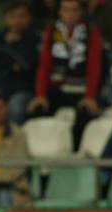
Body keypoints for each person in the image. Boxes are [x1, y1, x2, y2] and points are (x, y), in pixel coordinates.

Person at [27, 0, 104, 152]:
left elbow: (94, 67)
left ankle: (75, 159)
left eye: (74, 10)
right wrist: (41, 95)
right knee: (37, 112)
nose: (70, 14)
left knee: (86, 116)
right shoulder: (52, 32)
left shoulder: (91, 33)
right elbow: (44, 66)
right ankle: (41, 161)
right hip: (57, 89)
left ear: (81, 13)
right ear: (59, 12)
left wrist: (90, 96)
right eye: (66, 10)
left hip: (81, 90)